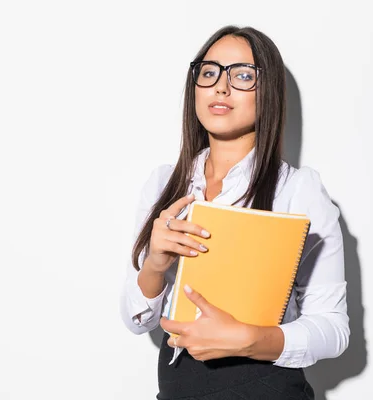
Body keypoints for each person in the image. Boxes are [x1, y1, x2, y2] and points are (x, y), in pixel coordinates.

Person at [119, 25, 349, 400]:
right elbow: (137, 320)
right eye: (209, 73)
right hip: (179, 389)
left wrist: (251, 340)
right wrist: (155, 265)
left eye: (243, 76)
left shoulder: (299, 190)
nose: (221, 87)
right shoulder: (164, 185)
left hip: (264, 388)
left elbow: (334, 331)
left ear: (269, 92)